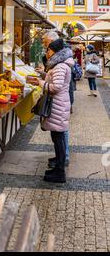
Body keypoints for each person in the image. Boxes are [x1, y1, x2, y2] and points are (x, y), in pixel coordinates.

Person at [34, 38, 74, 183]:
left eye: (49, 50)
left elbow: (55, 87)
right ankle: (58, 165)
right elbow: (56, 82)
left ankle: (59, 172)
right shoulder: (60, 65)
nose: (47, 52)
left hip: (57, 104)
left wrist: (40, 83)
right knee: (58, 137)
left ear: (56, 51)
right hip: (59, 104)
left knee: (59, 138)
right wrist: (45, 77)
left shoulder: (60, 66)